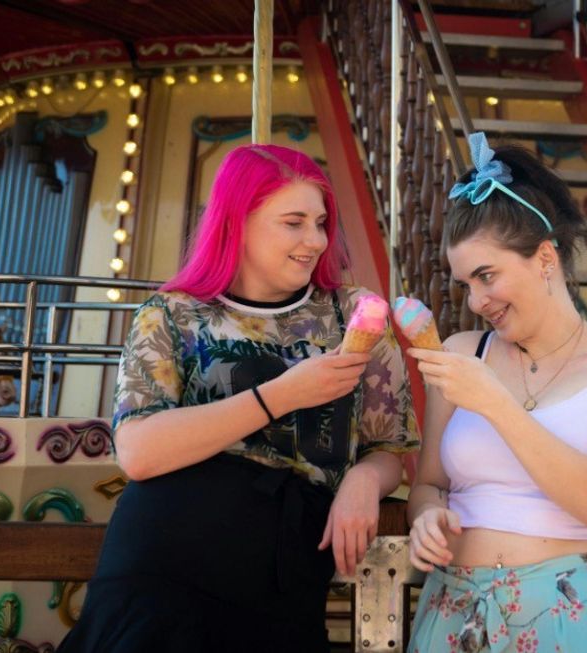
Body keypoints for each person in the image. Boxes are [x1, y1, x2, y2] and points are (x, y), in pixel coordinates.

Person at [59, 144, 419, 653]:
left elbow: (390, 448)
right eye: (293, 222)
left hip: (285, 563)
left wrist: (364, 479)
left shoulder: (354, 315)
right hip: (165, 559)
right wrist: (282, 394)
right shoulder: (172, 315)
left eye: (320, 222)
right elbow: (138, 451)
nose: (314, 240)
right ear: (238, 222)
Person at [406, 134, 587, 653]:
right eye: (464, 284)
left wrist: (495, 403)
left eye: (487, 276)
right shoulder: (464, 353)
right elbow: (429, 483)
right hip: (453, 607)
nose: (477, 300)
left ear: (545, 257)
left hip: (569, 614)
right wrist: (425, 518)